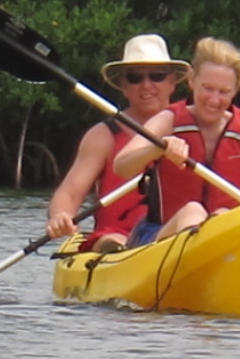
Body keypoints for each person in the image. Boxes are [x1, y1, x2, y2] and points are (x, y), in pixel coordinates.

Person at [111, 35, 240, 239]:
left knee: (224, 216)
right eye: (208, 88)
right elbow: (121, 167)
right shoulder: (168, 121)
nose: (214, 100)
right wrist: (157, 148)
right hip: (161, 236)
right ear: (192, 81)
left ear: (235, 91)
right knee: (193, 212)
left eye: (224, 92)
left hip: (226, 235)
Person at [44, 34, 187, 250]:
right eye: (135, 78)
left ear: (172, 81)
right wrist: (60, 216)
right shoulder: (103, 136)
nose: (146, 85)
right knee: (112, 242)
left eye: (156, 76)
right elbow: (70, 193)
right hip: (118, 240)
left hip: (175, 236)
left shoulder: (192, 128)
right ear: (123, 85)